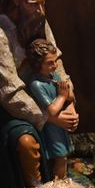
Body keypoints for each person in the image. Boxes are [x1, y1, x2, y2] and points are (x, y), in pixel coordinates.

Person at [0, 0, 79, 188]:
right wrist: (48, 117)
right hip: (14, 108)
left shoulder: (38, 20)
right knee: (26, 142)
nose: (41, 10)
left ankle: (60, 179)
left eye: (43, 3)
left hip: (46, 94)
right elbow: (9, 91)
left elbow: (56, 62)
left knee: (63, 129)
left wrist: (69, 99)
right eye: (34, 4)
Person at [26, 39, 76, 180]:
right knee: (60, 157)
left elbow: (70, 96)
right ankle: (58, 185)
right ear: (38, 64)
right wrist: (62, 96)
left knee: (64, 156)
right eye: (50, 63)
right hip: (52, 128)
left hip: (61, 126)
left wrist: (68, 99)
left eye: (55, 61)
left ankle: (62, 180)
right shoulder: (37, 84)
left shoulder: (54, 76)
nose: (55, 66)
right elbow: (52, 110)